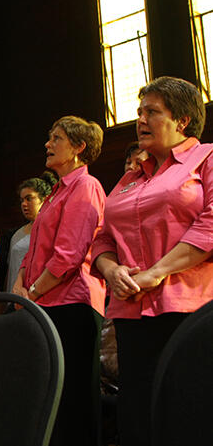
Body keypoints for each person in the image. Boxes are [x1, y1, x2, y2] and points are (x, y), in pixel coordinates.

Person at [91, 76, 213, 446]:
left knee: (188, 413)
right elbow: (102, 238)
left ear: (182, 121)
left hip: (189, 310)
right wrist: (111, 270)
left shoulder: (206, 159)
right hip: (131, 310)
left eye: (152, 112)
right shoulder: (130, 176)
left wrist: (157, 271)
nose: (140, 120)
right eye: (139, 112)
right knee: (139, 417)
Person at [13, 116, 106, 446]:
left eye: (57, 138)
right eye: (49, 137)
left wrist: (32, 293)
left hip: (72, 304)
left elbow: (68, 255)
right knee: (50, 392)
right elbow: (34, 248)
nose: (48, 144)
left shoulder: (86, 187)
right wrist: (22, 282)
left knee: (75, 398)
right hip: (45, 302)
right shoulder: (54, 192)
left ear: (78, 148)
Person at [5, 172, 57, 292]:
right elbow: (11, 270)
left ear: (44, 199)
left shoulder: (51, 231)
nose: (24, 204)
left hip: (37, 295)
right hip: (13, 297)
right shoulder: (17, 234)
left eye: (29, 198)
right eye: (22, 200)